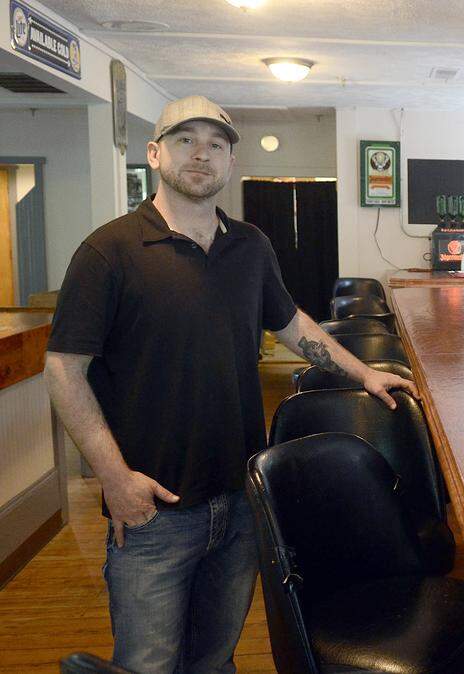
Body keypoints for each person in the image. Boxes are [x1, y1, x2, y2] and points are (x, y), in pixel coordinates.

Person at [43, 95, 418, 674]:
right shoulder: (108, 252)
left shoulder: (250, 245)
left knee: (215, 660)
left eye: (217, 143)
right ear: (155, 152)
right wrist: (114, 478)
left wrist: (365, 372)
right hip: (153, 508)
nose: (202, 153)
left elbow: (292, 324)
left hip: (241, 497)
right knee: (148, 664)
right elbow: (64, 368)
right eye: (185, 139)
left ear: (230, 163)